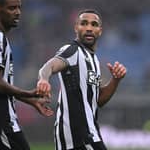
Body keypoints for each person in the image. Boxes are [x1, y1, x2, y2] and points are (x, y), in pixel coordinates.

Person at [37, 9, 127, 150]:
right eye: (84, 23)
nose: (89, 28)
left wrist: (115, 80)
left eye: (94, 24)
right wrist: (43, 79)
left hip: (89, 132)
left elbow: (98, 100)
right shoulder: (72, 51)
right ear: (76, 28)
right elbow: (49, 66)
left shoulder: (94, 61)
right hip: (77, 135)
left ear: (100, 31)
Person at [0, 0, 53, 150]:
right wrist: (28, 93)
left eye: (19, 7)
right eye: (12, 8)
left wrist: (30, 101)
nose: (18, 12)